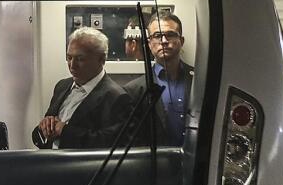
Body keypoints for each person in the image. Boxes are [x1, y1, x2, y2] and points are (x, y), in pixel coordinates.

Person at [33, 27, 128, 149]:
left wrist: (65, 132)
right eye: (69, 58)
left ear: (102, 59)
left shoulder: (116, 98)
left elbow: (111, 144)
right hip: (50, 164)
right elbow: (42, 136)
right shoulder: (62, 86)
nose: (72, 65)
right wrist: (44, 128)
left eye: (80, 59)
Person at [126, 11, 195, 146]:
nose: (164, 41)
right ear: (149, 43)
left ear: (181, 41)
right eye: (157, 36)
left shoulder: (200, 79)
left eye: (170, 35)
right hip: (155, 164)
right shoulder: (134, 90)